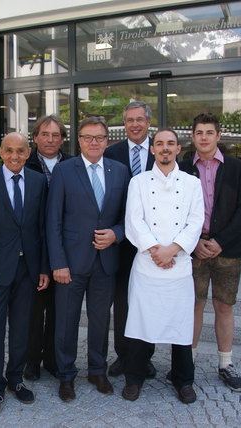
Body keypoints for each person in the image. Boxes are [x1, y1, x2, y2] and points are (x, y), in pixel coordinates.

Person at [47, 116, 130, 402]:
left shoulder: (119, 171)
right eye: (88, 137)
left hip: (106, 262)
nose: (94, 142)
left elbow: (127, 217)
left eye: (99, 137)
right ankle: (66, 375)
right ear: (79, 140)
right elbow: (53, 220)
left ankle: (98, 370)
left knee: (99, 321)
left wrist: (116, 234)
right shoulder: (64, 170)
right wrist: (58, 262)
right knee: (66, 322)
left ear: (107, 140)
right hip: (70, 263)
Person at [121, 128, 204, 404]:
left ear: (178, 149)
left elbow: (195, 222)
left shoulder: (192, 183)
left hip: (179, 267)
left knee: (181, 326)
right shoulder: (139, 182)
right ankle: (134, 378)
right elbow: (134, 221)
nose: (165, 148)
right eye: (160, 144)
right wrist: (157, 251)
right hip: (147, 265)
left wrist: (173, 250)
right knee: (141, 325)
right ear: (153, 149)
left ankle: (183, 379)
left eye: (170, 143)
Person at [0, 133, 49, 417]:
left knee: (21, 328)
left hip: (27, 270)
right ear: (1, 152)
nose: (15, 156)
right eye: (9, 151)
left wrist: (43, 268)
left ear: (29, 153)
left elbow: (41, 229)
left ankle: (15, 378)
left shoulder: (39, 182)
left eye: (20, 151)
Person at [179, 112, 241, 392]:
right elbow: (176, 210)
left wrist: (220, 241)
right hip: (194, 249)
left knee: (224, 306)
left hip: (227, 249)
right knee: (194, 305)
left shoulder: (236, 167)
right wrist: (195, 240)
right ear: (193, 136)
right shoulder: (183, 167)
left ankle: (226, 363)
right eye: (199, 132)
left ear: (218, 136)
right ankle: (189, 361)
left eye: (209, 132)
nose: (204, 138)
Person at [103, 101, 156, 379]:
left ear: (148, 122)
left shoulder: (160, 151)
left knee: (148, 300)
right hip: (121, 242)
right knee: (122, 301)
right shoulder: (111, 153)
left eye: (139, 119)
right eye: (129, 120)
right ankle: (123, 355)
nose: (134, 124)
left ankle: (145, 356)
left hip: (153, 243)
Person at [23, 114, 72, 381]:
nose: (50, 140)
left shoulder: (74, 164)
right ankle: (31, 360)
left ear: (63, 139)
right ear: (35, 137)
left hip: (65, 249)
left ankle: (53, 359)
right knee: (34, 309)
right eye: (45, 134)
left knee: (59, 310)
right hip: (34, 248)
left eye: (56, 135)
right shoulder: (25, 164)